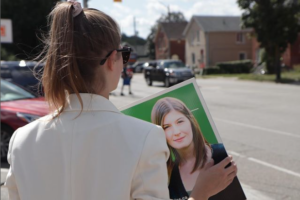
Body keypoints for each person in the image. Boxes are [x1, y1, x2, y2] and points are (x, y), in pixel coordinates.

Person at [5, 1, 236, 200]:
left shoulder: (21, 140)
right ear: (111, 61)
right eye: (124, 54)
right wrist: (201, 193)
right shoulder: (146, 138)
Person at [151, 97, 237, 199]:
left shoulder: (221, 153)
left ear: (190, 121)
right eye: (167, 127)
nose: (176, 132)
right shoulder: (166, 176)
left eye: (180, 122)